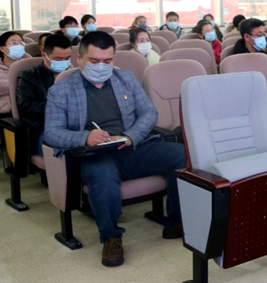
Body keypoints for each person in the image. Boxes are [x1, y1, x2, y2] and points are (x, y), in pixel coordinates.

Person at [44, 31, 186, 267]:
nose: (101, 66)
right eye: (94, 61)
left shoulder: (125, 78)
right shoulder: (61, 90)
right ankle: (111, 237)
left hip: (130, 146)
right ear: (79, 59)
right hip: (96, 154)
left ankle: (176, 220)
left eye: (107, 61)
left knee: (181, 155)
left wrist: (130, 136)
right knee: (103, 176)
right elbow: (51, 132)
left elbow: (149, 112)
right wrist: (85, 137)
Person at [16, 33, 72, 156]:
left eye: (67, 58)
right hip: (43, 126)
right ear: (43, 56)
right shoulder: (28, 76)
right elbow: (25, 105)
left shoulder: (73, 75)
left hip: (73, 125)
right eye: (58, 59)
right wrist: (58, 109)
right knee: (66, 153)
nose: (63, 63)